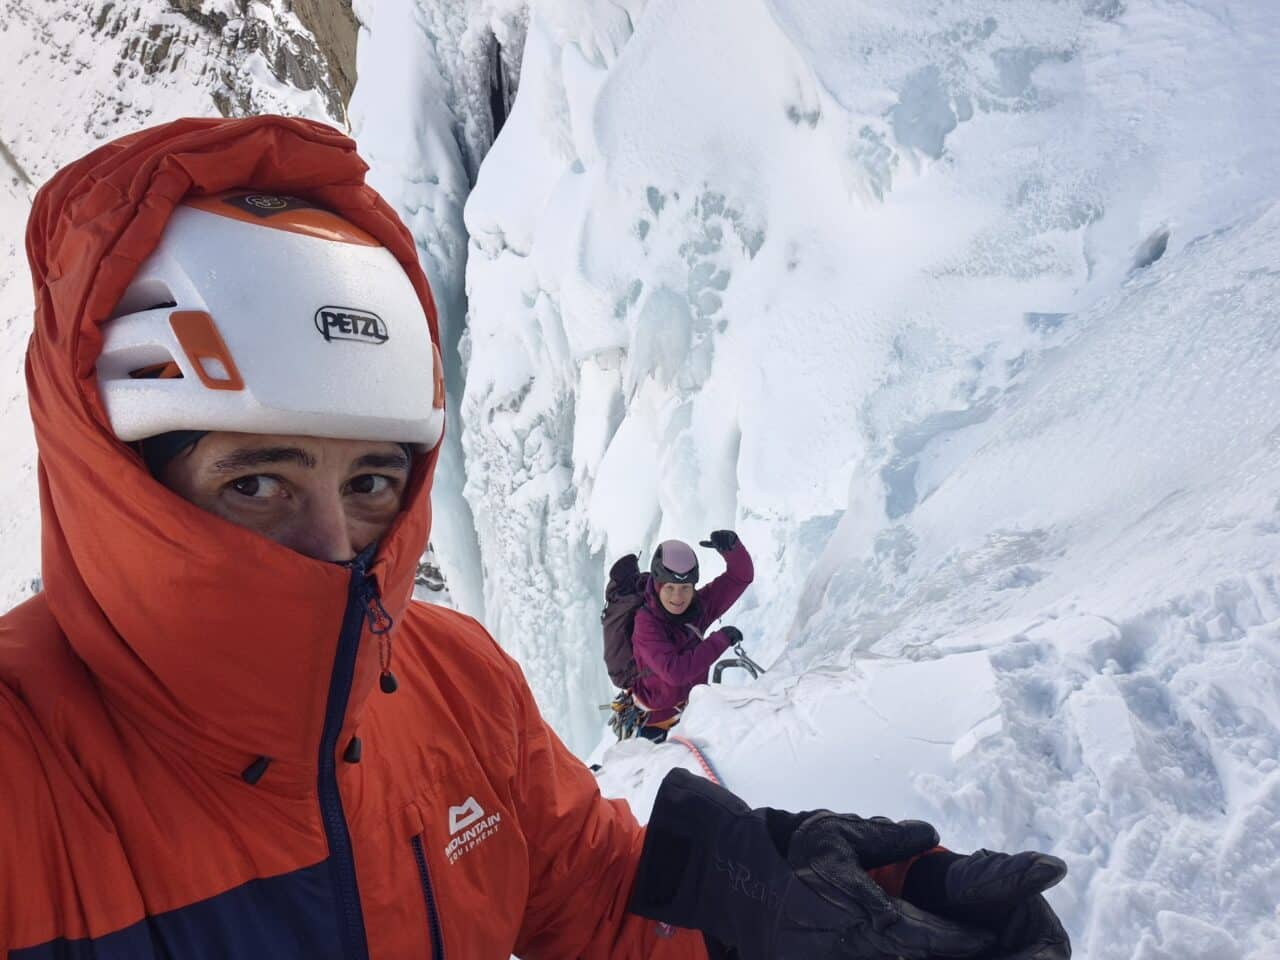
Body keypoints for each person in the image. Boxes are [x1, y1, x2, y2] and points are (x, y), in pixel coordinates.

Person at [0, 115, 1070, 959]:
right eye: (256, 479)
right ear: (125, 481)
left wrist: (782, 902)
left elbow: (596, 891)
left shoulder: (453, 682)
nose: (335, 544)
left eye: (372, 478)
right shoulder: (24, 773)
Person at [632, 532, 752, 741]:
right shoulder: (646, 623)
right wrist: (720, 640)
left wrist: (732, 550)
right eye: (669, 587)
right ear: (658, 585)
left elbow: (740, 577)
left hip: (692, 714)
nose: (678, 597)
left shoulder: (698, 607)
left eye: (685, 588)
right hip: (655, 723)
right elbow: (674, 672)